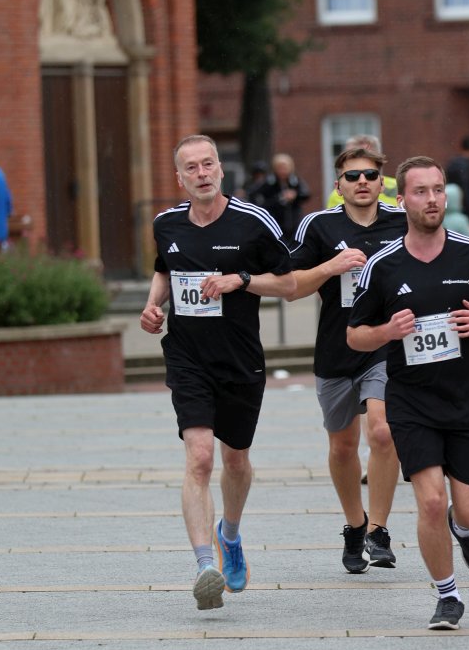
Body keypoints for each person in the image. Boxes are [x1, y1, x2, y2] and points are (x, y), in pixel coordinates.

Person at [348, 156, 469, 629]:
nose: (432, 199)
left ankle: (464, 529)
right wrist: (387, 332)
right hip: (411, 403)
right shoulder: (382, 265)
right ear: (402, 200)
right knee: (432, 502)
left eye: (438, 190)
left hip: (466, 403)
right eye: (421, 192)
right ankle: (447, 594)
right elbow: (355, 335)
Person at [141, 135, 295, 609]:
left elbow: (289, 283)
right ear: (179, 178)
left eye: (208, 164)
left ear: (221, 170)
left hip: (240, 359)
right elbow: (164, 270)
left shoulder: (254, 221)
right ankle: (205, 565)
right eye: (192, 167)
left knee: (236, 461)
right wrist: (153, 306)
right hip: (188, 357)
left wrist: (240, 280)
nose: (202, 173)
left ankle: (229, 533)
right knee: (200, 458)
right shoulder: (166, 224)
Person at [288, 137, 406, 572]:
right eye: (352, 175)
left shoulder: (402, 222)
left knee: (383, 432)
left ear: (382, 180)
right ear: (338, 183)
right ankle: (355, 525)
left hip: (386, 344)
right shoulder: (318, 226)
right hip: (336, 348)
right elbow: (290, 286)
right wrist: (330, 267)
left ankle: (378, 530)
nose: (362, 182)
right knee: (342, 447)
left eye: (370, 175)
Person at [254, 153, 311, 238]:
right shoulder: (270, 182)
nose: (282, 171)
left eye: (285, 168)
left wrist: (295, 195)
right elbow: (259, 197)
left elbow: (306, 194)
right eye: (280, 168)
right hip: (276, 222)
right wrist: (279, 198)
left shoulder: (295, 181)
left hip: (294, 221)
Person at [445, 134, 469, 223]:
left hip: (451, 205)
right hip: (464, 210)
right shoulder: (465, 166)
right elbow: (467, 189)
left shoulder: (452, 163)